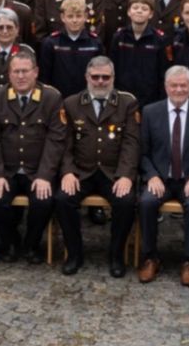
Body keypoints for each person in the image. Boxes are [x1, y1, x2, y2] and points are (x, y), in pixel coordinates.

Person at [47, 56, 140, 277]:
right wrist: (68, 172)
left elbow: (131, 143)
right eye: (95, 77)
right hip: (82, 172)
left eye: (105, 77)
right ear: (87, 77)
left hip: (113, 173)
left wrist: (126, 175)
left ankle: (116, 255)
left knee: (126, 202)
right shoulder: (71, 103)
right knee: (62, 199)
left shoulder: (127, 103)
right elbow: (64, 144)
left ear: (113, 78)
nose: (100, 81)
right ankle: (75, 254)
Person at [135, 66, 189, 286]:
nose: (179, 89)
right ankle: (150, 257)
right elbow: (142, 153)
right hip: (160, 178)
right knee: (146, 202)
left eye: (183, 85)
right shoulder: (151, 112)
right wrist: (151, 175)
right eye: (174, 85)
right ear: (166, 87)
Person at [0, 45, 61, 262]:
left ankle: (32, 245)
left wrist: (45, 175)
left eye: (26, 71)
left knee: (44, 201)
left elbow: (55, 141)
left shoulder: (51, 98)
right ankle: (11, 242)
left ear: (36, 72)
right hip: (7, 170)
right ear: (9, 74)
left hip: (37, 170)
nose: (21, 76)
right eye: (16, 71)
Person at [106, 0, 172, 100]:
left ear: (151, 14)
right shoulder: (119, 37)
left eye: (144, 9)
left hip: (151, 96)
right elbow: (112, 68)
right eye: (135, 8)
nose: (139, 11)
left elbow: (163, 72)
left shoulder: (160, 39)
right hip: (123, 95)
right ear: (128, 12)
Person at [36, 0, 105, 95]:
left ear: (85, 17)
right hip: (58, 96)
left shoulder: (95, 43)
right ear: (62, 17)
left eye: (78, 16)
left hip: (86, 96)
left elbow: (100, 73)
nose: (74, 20)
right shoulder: (51, 43)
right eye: (70, 16)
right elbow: (44, 77)